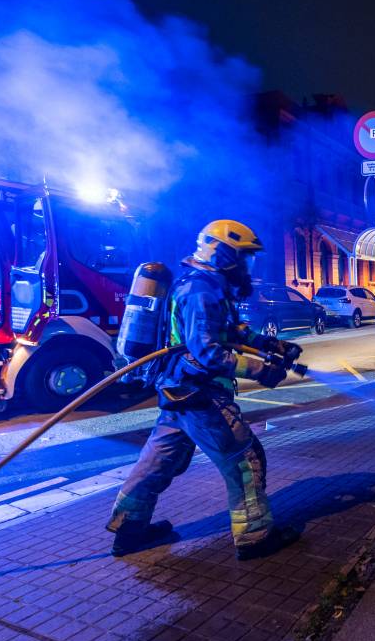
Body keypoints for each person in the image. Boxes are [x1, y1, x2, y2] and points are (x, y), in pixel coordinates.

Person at [107, 220, 302, 558]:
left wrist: (270, 344)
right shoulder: (201, 291)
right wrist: (262, 370)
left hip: (177, 391)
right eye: (245, 257)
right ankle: (255, 537)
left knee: (157, 463)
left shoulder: (205, 285)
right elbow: (209, 352)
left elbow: (228, 330)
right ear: (224, 253)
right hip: (201, 396)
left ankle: (129, 529)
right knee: (244, 458)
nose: (249, 265)